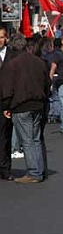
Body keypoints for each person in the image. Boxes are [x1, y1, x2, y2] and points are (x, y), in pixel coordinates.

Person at [0, 34, 50, 183]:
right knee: (35, 139)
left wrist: (6, 106)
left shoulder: (12, 64)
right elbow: (47, 83)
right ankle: (39, 170)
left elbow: (7, 89)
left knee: (27, 140)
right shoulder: (39, 62)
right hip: (38, 104)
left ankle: (34, 172)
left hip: (21, 105)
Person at [0, 26, 14, 181]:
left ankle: (5, 169)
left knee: (5, 136)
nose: (0, 40)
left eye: (2, 37)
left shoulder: (12, 56)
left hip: (7, 102)